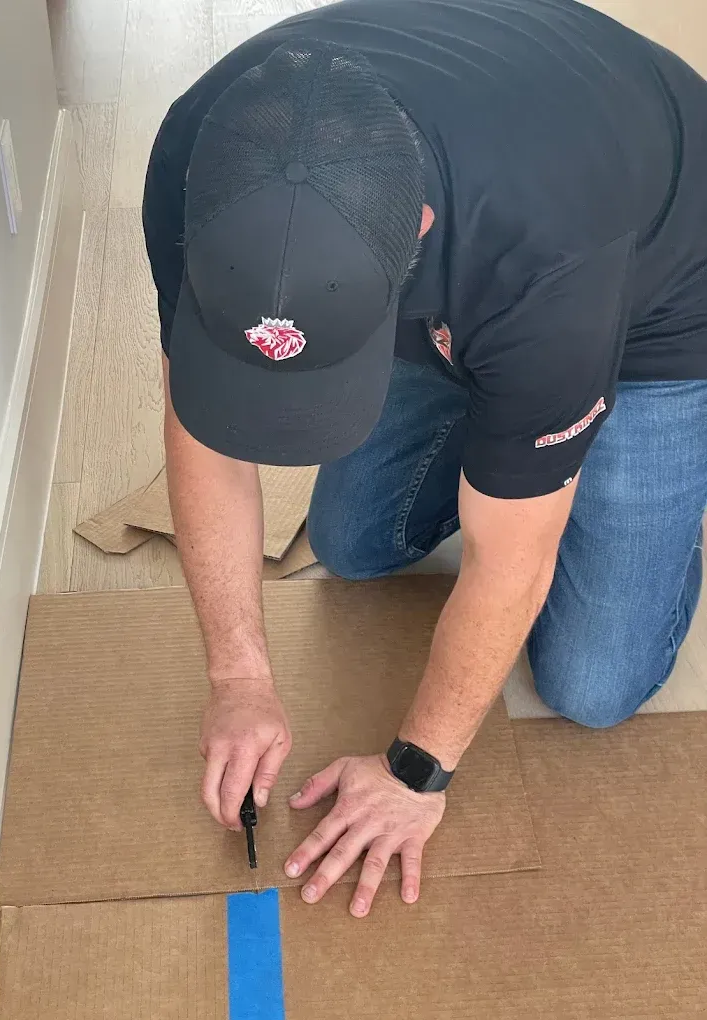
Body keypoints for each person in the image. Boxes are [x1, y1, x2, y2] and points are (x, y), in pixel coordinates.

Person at [143, 0, 707, 918]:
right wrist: (237, 680)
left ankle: (603, 463)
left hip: (663, 291)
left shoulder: (544, 255)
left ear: (415, 230)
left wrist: (414, 775)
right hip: (481, 282)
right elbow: (200, 427)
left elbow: (508, 562)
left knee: (592, 687)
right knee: (355, 545)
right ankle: (508, 420)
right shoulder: (194, 158)